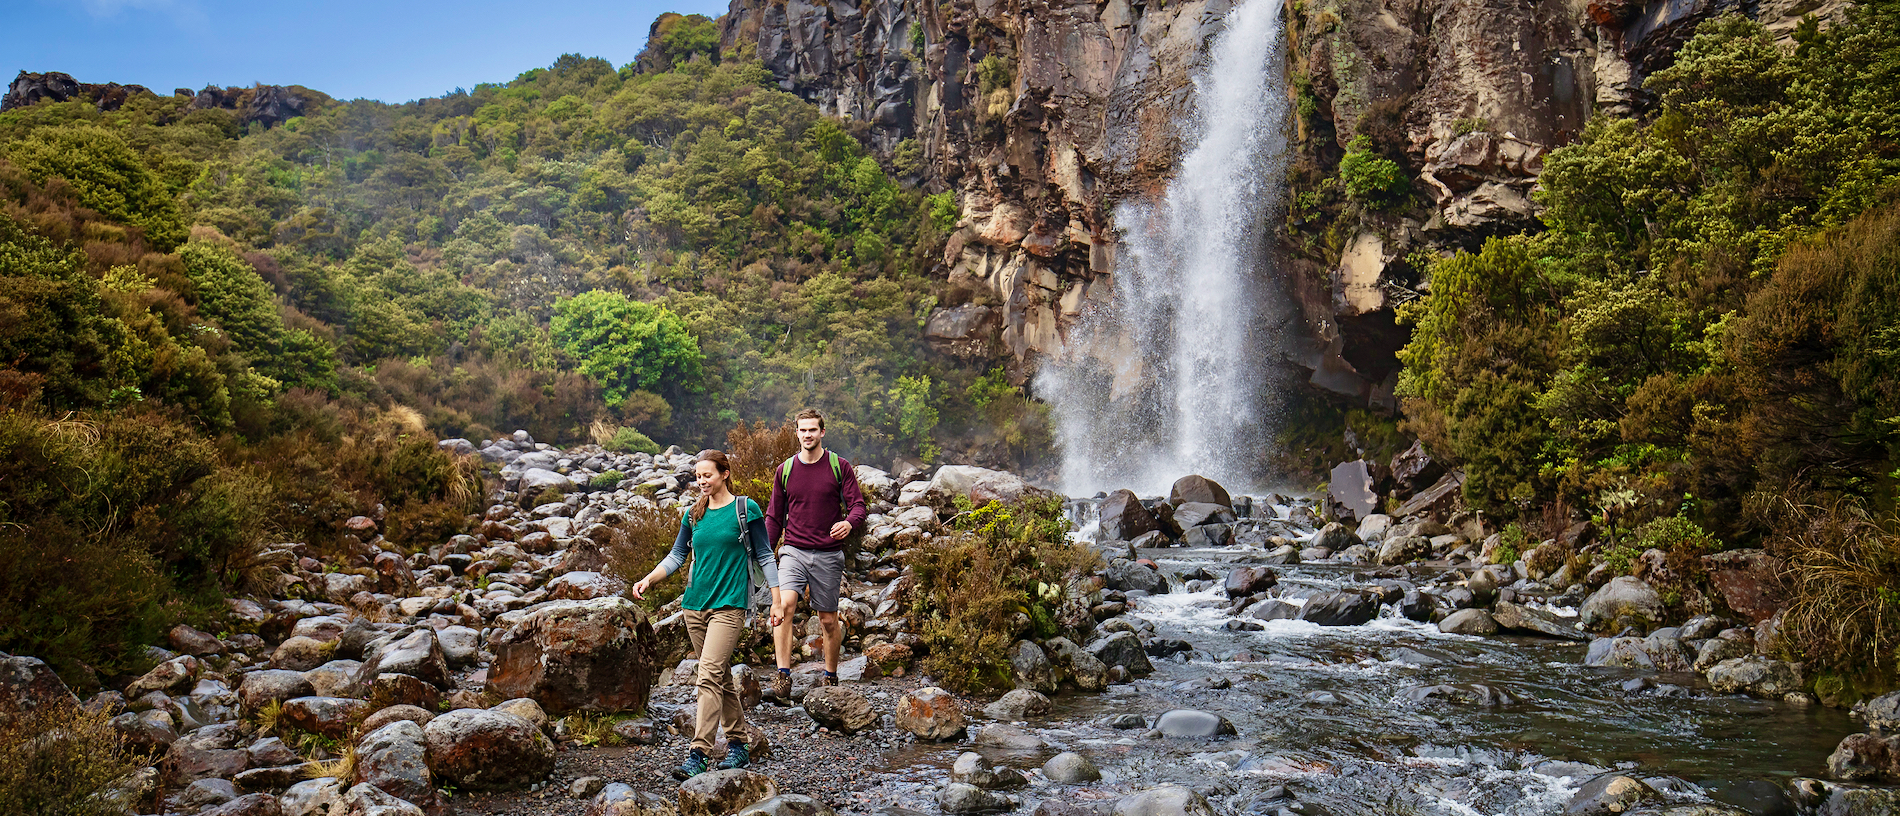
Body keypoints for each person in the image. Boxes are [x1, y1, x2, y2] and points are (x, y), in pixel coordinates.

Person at [631, 449, 778, 781]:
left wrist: (779, 600)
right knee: (721, 677)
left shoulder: (745, 509)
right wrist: (649, 579)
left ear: (724, 473)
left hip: (730, 605)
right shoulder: (692, 514)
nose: (701, 481)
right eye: (697, 476)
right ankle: (739, 745)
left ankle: (698, 753)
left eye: (707, 475)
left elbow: (766, 556)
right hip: (694, 606)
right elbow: (677, 555)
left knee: (707, 676)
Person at [765, 408, 867, 700]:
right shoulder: (785, 470)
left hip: (828, 553)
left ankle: (830, 676)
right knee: (785, 606)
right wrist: (764, 555)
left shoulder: (839, 466)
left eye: (813, 430)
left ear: (822, 432)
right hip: (793, 550)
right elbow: (774, 517)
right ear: (796, 433)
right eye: (802, 430)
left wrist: (849, 522)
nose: (807, 434)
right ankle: (783, 677)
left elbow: (858, 505)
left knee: (828, 621)